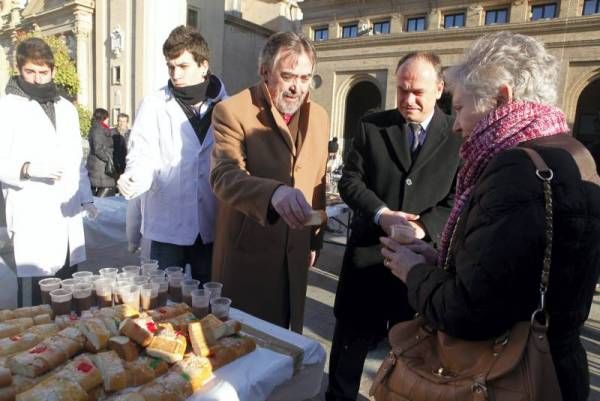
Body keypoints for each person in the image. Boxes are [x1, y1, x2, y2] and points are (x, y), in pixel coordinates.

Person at [380, 32, 600, 401]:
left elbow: (468, 310)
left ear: (501, 98)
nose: (455, 124)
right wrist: (441, 260)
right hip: (557, 371)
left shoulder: (514, 170)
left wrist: (413, 271)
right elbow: (510, 277)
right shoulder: (574, 153)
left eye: (461, 107)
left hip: (505, 377)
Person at [326, 52, 462, 401]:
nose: (408, 100)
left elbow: (460, 196)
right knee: (347, 356)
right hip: (368, 258)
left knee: (412, 363)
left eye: (417, 91)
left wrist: (425, 228)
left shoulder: (458, 135)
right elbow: (350, 181)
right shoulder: (373, 125)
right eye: (402, 91)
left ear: (439, 89)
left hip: (420, 266)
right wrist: (382, 214)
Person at [210, 31, 329, 333]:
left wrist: (314, 237)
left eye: (305, 78)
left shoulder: (319, 116)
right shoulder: (232, 111)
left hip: (296, 253)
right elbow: (224, 175)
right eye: (288, 76)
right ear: (265, 72)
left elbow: (318, 178)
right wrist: (273, 193)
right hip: (249, 256)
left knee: (288, 348)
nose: (296, 88)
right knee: (246, 347)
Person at [117, 26, 227, 283]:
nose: (175, 74)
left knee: (207, 302)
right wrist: (134, 177)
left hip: (210, 225)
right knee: (161, 302)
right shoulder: (154, 104)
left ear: (203, 66)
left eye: (182, 66)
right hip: (167, 226)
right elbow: (141, 153)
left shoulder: (226, 105)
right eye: (170, 67)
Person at [0, 37, 97, 306]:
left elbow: (76, 161)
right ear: (19, 70)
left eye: (43, 72)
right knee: (36, 299)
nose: (37, 78)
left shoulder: (67, 109)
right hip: (32, 212)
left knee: (68, 292)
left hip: (66, 213)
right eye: (30, 71)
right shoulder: (6, 107)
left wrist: (86, 198)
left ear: (53, 71)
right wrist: (28, 169)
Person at [87, 108, 117, 197]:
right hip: (100, 166)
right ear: (104, 117)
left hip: (101, 165)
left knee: (106, 188)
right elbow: (98, 149)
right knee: (107, 188)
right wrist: (109, 159)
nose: (108, 119)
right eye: (107, 117)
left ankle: (96, 207)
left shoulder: (102, 128)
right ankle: (97, 207)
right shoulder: (97, 129)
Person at [112, 113, 129, 180]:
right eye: (120, 121)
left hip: (127, 165)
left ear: (127, 123)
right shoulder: (111, 133)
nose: (122, 123)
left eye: (124, 121)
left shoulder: (131, 134)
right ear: (117, 121)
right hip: (115, 166)